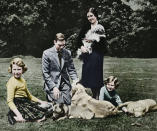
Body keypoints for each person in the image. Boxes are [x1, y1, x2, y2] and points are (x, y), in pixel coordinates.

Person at [6, 58, 52, 125]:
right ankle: (15, 117)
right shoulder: (11, 82)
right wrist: (19, 115)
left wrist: (41, 101)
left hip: (25, 101)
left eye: (19, 69)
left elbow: (29, 95)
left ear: (23, 70)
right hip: (18, 103)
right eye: (14, 69)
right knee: (41, 117)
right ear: (11, 69)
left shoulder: (22, 80)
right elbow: (9, 101)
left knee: (46, 108)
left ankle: (21, 116)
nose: (16, 72)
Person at [77, 7, 107, 99]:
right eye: (88, 16)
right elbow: (78, 40)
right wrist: (81, 47)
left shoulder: (100, 27)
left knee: (96, 75)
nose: (90, 18)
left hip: (97, 54)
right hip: (86, 55)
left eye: (91, 16)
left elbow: (103, 43)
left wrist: (91, 43)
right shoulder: (86, 27)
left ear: (96, 16)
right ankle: (88, 95)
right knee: (87, 74)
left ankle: (96, 96)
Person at [42, 33, 79, 105]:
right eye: (59, 45)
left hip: (64, 83)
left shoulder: (67, 53)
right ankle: (50, 96)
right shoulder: (46, 53)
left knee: (69, 103)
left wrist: (76, 81)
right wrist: (53, 87)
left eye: (63, 45)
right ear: (54, 42)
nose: (62, 47)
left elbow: (71, 69)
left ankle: (57, 97)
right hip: (53, 83)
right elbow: (45, 73)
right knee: (61, 104)